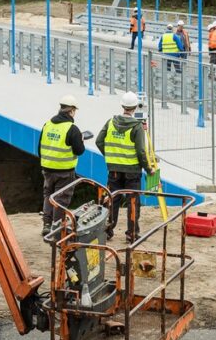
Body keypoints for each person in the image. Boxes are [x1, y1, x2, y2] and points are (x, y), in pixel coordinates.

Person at [96, 91, 153, 242]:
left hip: (114, 170)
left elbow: (99, 141)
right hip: (132, 172)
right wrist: (148, 169)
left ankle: (107, 230)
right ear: (135, 107)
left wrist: (111, 157)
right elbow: (141, 152)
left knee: (112, 199)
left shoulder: (110, 122)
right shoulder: (137, 126)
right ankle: (132, 234)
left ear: (122, 105)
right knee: (133, 201)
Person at [38, 94, 85, 236]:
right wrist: (81, 140)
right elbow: (79, 151)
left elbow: (40, 148)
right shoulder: (72, 129)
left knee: (48, 195)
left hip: (47, 168)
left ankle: (46, 223)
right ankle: (56, 226)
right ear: (71, 111)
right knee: (61, 198)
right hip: (65, 170)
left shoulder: (47, 125)